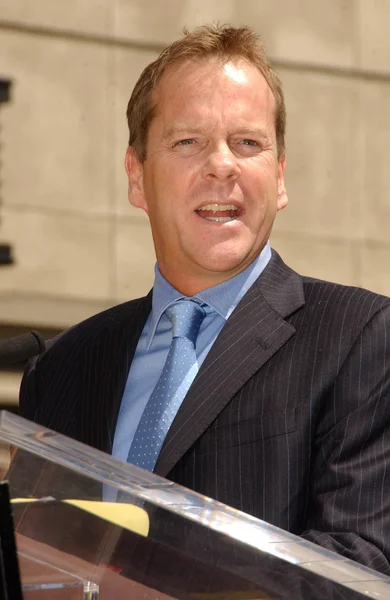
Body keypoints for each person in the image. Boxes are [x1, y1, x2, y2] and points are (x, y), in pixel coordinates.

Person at [20, 24, 390, 575]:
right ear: (136, 176)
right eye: (188, 142)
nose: (223, 165)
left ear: (280, 176)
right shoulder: (63, 368)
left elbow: (360, 564)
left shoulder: (360, 337)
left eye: (248, 143)